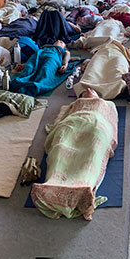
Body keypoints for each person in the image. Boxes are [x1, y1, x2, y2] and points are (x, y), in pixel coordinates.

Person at [33, 88, 119, 219]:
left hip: (96, 124)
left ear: (97, 94)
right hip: (71, 124)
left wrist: (109, 137)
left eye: (91, 90)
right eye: (84, 92)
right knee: (60, 147)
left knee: (93, 150)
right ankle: (53, 182)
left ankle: (84, 185)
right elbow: (62, 118)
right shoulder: (75, 104)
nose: (88, 90)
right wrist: (55, 128)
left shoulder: (107, 104)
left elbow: (112, 122)